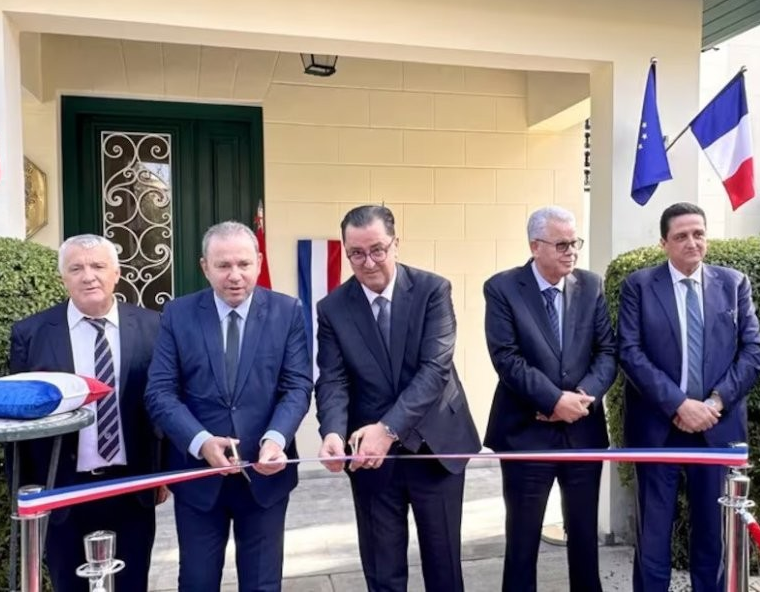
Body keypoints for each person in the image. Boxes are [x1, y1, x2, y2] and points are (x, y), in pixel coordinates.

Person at [315, 204, 480, 592]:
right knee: (382, 572)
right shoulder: (333, 308)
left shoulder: (432, 290)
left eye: (377, 249)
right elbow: (333, 380)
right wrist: (333, 433)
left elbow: (434, 370)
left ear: (395, 244)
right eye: (356, 253)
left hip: (435, 448)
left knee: (443, 571)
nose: (368, 262)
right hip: (372, 460)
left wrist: (387, 429)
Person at [145, 221, 313, 592]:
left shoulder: (287, 312)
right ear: (205, 266)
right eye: (223, 266)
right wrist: (200, 441)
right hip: (199, 478)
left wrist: (276, 438)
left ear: (258, 261)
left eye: (243, 264)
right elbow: (159, 392)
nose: (234, 275)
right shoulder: (178, 314)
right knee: (197, 581)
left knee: (262, 584)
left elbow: (297, 385)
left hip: (265, 475)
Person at [617, 202, 760, 592]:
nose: (692, 242)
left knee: (712, 535)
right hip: (658, 429)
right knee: (652, 535)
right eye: (681, 236)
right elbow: (630, 352)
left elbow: (753, 352)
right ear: (664, 242)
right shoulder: (639, 285)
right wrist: (679, 404)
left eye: (698, 233)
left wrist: (714, 404)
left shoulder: (734, 284)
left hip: (716, 430)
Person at [9, 234, 162, 592]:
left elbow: (160, 404)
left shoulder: (153, 327)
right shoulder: (31, 334)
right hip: (62, 486)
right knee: (69, 582)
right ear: (63, 276)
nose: (88, 276)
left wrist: (164, 473)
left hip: (131, 482)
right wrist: (20, 487)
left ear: (117, 274)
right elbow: (17, 417)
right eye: (76, 268)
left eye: (97, 266)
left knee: (131, 581)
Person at [482, 205, 616, 592]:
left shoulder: (591, 286)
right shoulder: (503, 288)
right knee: (522, 543)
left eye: (575, 242)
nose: (571, 251)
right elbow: (506, 357)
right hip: (526, 435)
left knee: (585, 540)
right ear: (534, 246)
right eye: (561, 244)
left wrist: (582, 398)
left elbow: (607, 351)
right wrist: (553, 400)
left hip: (583, 433)